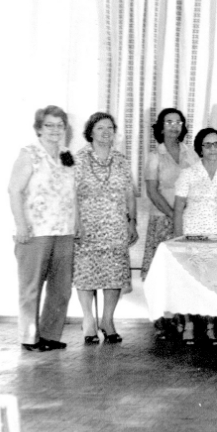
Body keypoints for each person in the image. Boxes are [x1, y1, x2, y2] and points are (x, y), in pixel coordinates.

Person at [7, 105, 77, 352]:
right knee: (31, 287)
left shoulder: (68, 155)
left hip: (64, 231)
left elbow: (72, 195)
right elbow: (14, 190)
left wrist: (76, 225)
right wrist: (21, 225)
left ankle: (49, 335)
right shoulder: (29, 154)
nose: (55, 130)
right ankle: (29, 338)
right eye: (49, 125)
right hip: (35, 231)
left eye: (60, 125)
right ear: (38, 128)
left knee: (61, 288)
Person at [73, 112, 137, 345]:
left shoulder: (121, 160)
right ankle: (88, 320)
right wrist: (76, 223)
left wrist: (132, 221)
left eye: (110, 127)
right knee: (86, 274)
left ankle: (107, 321)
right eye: (100, 128)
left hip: (116, 227)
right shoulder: (78, 159)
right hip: (87, 227)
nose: (106, 132)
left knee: (114, 274)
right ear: (90, 132)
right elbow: (72, 194)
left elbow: (130, 193)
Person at [173, 127, 217, 345]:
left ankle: (210, 326)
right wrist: (177, 238)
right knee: (191, 278)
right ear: (200, 148)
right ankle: (189, 324)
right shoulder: (188, 173)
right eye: (207, 144)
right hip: (193, 230)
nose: (212, 149)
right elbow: (178, 208)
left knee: (214, 280)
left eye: (216, 144)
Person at [141, 108, 198, 280]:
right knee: (160, 272)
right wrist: (173, 215)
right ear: (161, 128)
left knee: (184, 271)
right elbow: (152, 191)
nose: (174, 126)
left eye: (178, 122)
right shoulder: (154, 156)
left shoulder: (191, 153)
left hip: (188, 218)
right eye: (169, 122)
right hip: (162, 218)